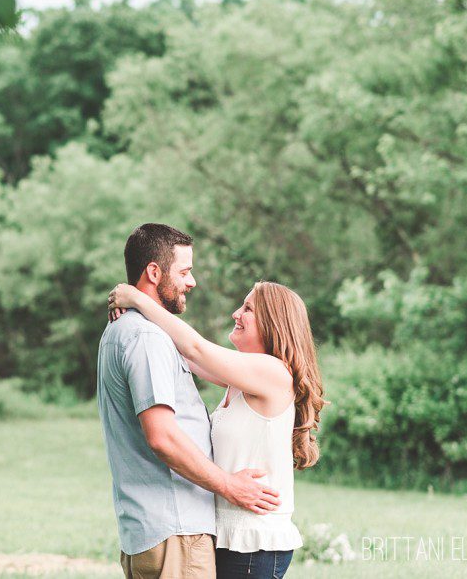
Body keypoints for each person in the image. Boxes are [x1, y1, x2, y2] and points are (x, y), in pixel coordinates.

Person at [108, 277, 326, 579]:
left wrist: (136, 298)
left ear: (273, 323)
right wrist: (134, 318)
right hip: (229, 534)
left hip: (254, 541)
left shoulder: (273, 373)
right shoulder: (240, 379)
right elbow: (179, 351)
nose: (236, 313)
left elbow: (194, 348)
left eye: (248, 309)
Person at [97, 223, 281, 579]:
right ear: (154, 271)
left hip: (154, 528)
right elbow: (162, 438)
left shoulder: (124, 331)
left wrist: (135, 299)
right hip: (175, 529)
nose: (192, 281)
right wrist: (230, 486)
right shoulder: (146, 338)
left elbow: (197, 354)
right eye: (184, 271)